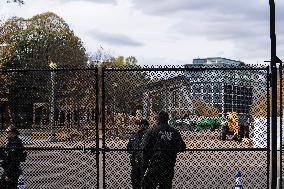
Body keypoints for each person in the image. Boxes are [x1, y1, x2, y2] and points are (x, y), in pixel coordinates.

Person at [141, 111, 186, 189]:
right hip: (168, 165)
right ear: (167, 119)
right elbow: (182, 147)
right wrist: (171, 148)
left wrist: (144, 164)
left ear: (157, 119)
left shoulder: (152, 131)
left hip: (155, 164)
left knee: (148, 185)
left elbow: (144, 148)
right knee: (165, 186)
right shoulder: (174, 132)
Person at [126, 119, 149, 189]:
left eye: (140, 124)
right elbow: (128, 147)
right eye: (138, 124)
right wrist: (133, 153)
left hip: (146, 163)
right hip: (135, 163)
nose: (138, 126)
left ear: (146, 126)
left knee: (146, 182)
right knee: (135, 181)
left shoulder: (149, 136)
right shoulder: (134, 136)